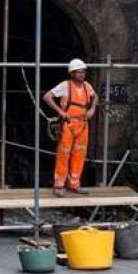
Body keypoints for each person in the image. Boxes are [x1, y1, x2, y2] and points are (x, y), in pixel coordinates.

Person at [43, 58, 98, 197]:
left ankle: (74, 183)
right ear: (72, 73)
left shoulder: (87, 86)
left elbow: (95, 97)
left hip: (83, 125)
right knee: (64, 154)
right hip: (68, 125)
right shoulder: (65, 86)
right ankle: (59, 184)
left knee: (79, 154)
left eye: (83, 72)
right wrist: (61, 112)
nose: (81, 74)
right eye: (78, 72)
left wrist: (92, 109)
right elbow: (47, 97)